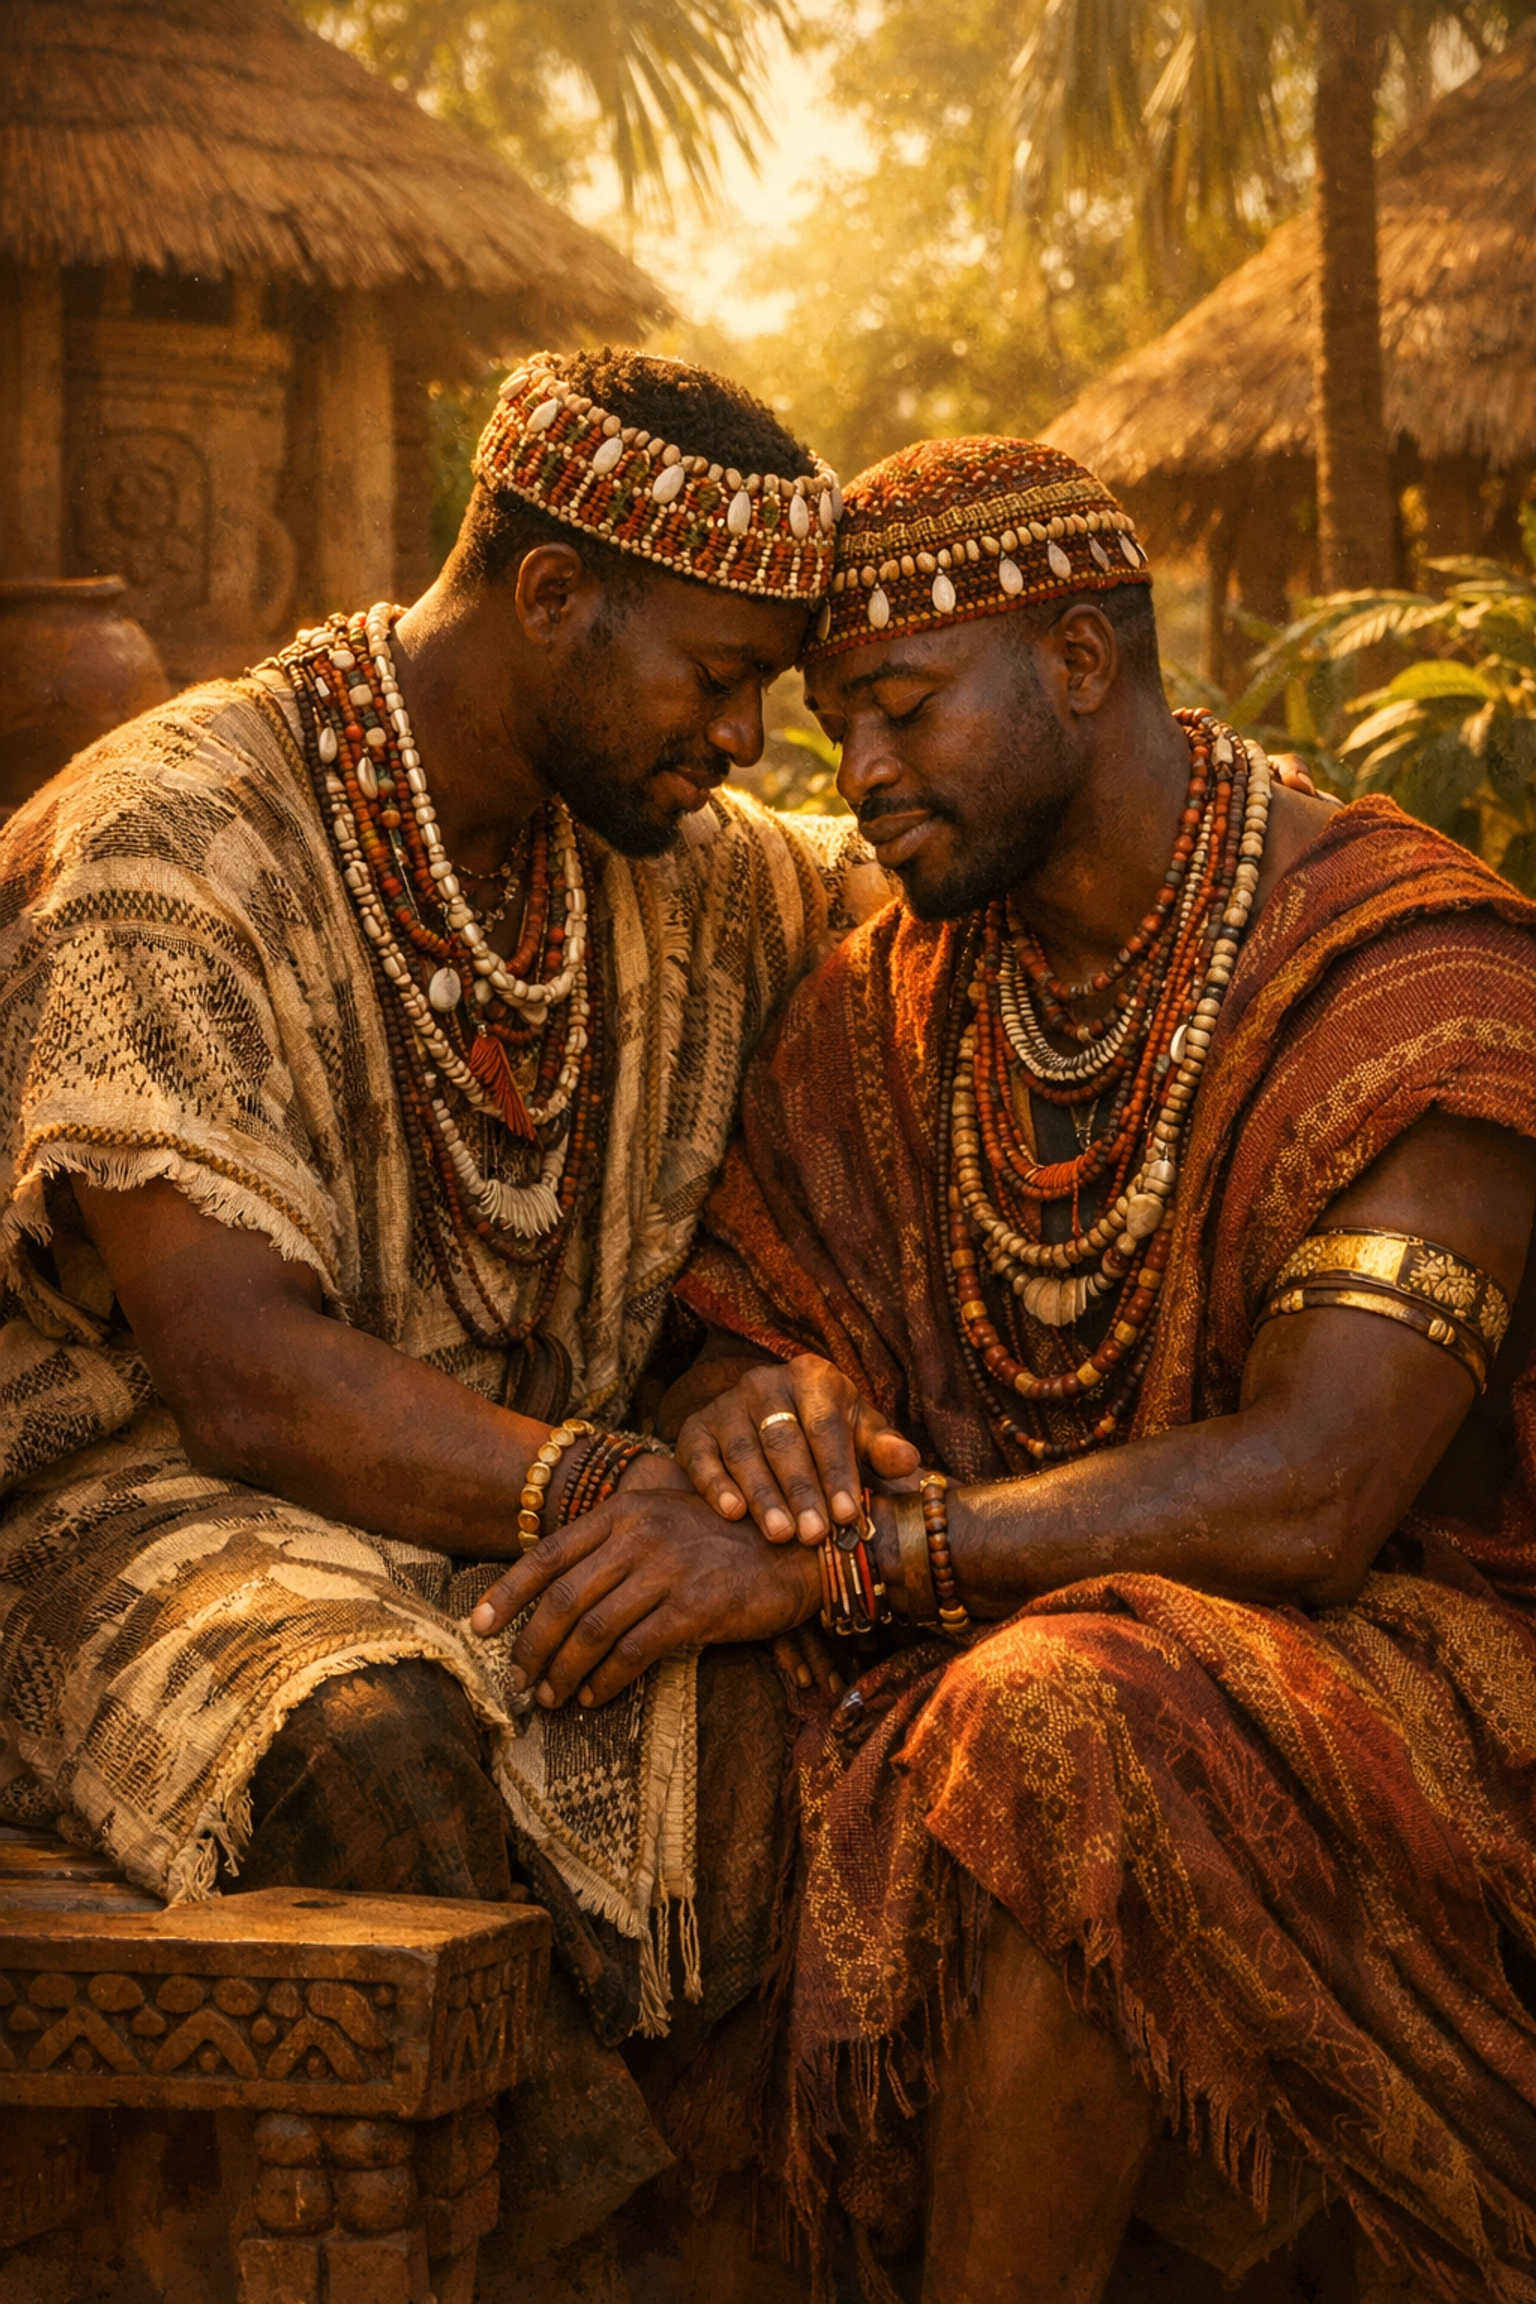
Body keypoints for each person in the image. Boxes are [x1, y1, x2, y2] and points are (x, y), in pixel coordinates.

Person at [472, 437, 1536, 2302]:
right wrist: (764, 1422)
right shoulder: (907, 996)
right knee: (603, 1699)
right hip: (1001, 1626)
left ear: (1078, 659)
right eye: (831, 727)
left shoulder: (1414, 975)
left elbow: (1318, 1487)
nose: (857, 776)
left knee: (1061, 1724)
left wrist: (858, 1557)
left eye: (898, 707)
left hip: (1412, 1674)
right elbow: (752, 1319)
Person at [0, 350, 891, 2276]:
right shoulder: (179, 834)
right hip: (133, 1512)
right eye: (717, 676)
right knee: (371, 1745)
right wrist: (606, 1494)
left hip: (496, 1516)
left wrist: (756, 1379)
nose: (746, 737)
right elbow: (234, 1372)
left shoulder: (685, 869)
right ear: (555, 596)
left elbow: (930, 895)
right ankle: (595, 2259)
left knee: (826, 1724)